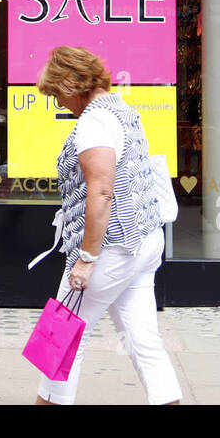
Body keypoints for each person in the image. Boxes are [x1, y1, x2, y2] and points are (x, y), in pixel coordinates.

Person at [31, 45, 181, 406]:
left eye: (57, 95)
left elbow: (101, 192)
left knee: (58, 339)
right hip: (144, 241)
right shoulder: (122, 110)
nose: (60, 104)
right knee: (144, 342)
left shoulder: (94, 121)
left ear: (71, 84)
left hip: (112, 248)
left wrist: (85, 258)